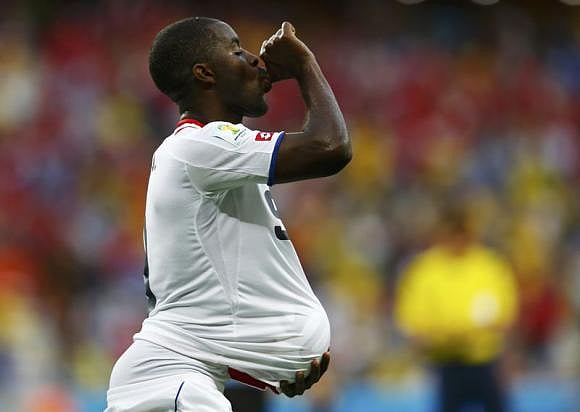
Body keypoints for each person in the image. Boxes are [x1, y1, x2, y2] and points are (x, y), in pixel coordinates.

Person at [106, 17, 351, 412]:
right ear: (204, 73)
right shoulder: (199, 147)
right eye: (237, 50)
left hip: (183, 374)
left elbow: (213, 296)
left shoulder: (215, 157)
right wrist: (304, 63)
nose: (254, 59)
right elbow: (330, 146)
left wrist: (260, 362)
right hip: (169, 378)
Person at [394, 205, 518, 412]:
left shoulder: (490, 265)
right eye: (453, 232)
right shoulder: (425, 270)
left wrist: (468, 334)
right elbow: (412, 325)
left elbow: (506, 317)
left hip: (486, 361)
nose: (458, 240)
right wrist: (448, 335)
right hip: (444, 364)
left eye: (462, 232)